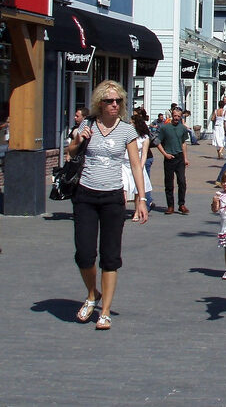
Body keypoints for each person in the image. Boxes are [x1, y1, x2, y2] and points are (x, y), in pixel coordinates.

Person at [71, 80, 148, 330]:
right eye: (109, 101)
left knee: (110, 256)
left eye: (118, 101)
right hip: (86, 195)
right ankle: (92, 294)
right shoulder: (88, 124)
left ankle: (104, 312)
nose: (114, 105)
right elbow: (71, 152)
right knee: (84, 254)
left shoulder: (127, 130)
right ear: (99, 103)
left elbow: (136, 164)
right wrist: (78, 140)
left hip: (113, 197)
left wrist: (141, 199)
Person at [156, 106, 190, 215]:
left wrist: (185, 158)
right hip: (169, 158)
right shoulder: (165, 128)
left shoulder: (183, 129)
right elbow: (157, 142)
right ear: (172, 115)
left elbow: (183, 143)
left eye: (178, 116)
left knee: (182, 182)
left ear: (181, 117)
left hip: (179, 157)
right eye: (175, 116)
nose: (176, 118)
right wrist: (165, 154)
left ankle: (181, 204)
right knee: (169, 183)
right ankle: (170, 206)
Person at [121, 114, 153, 220]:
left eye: (132, 123)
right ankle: (120, 212)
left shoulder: (144, 138)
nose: (130, 124)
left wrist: (141, 166)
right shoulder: (127, 135)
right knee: (123, 188)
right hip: (124, 165)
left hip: (137, 166)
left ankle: (136, 212)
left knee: (137, 191)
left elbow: (144, 154)